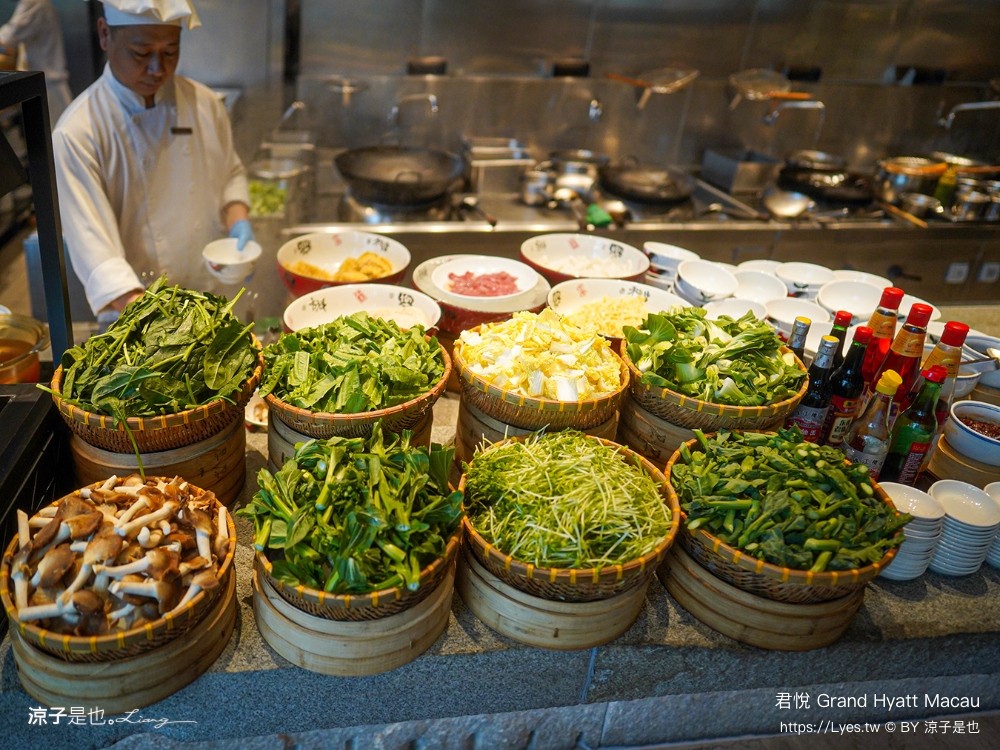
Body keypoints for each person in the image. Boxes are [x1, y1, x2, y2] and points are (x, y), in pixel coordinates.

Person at [51, 0, 255, 320]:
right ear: (105, 35)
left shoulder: (204, 103)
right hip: (137, 317)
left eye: (170, 51)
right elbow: (96, 253)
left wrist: (238, 223)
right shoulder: (78, 132)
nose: (158, 68)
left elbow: (230, 173)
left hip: (212, 297)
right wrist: (160, 323)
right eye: (141, 53)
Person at [0, 0, 73, 125]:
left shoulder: (33, 2)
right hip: (45, 83)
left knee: (55, 137)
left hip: (48, 86)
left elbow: (9, 37)